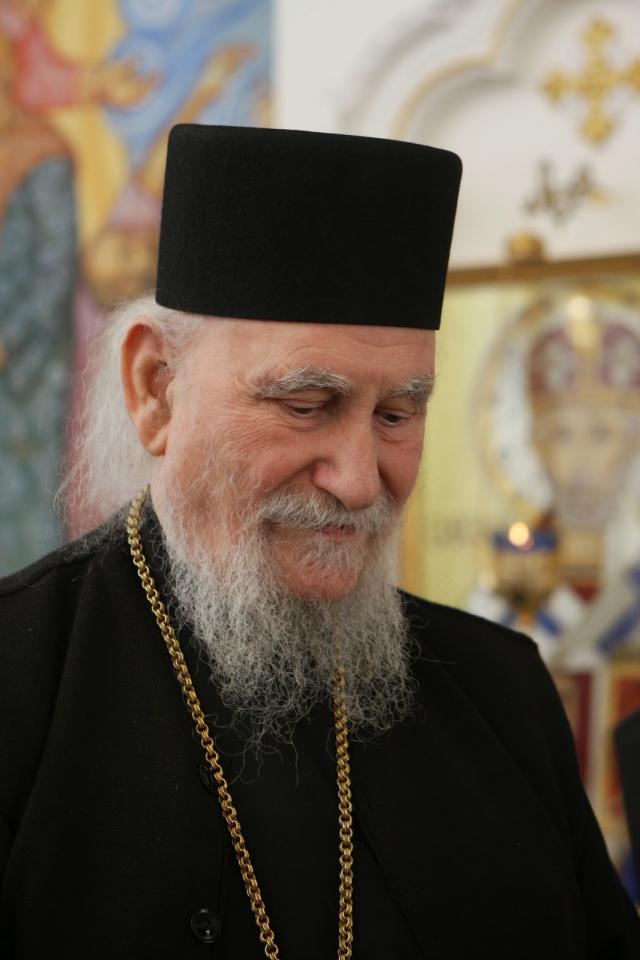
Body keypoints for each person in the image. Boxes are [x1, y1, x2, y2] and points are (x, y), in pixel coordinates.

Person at [0, 124, 638, 959]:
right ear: (156, 388)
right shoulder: (17, 683)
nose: (361, 482)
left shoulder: (503, 696)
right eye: (306, 406)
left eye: (397, 414)